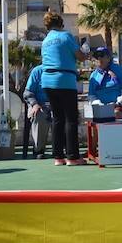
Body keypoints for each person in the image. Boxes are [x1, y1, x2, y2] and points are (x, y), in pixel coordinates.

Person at [40, 11, 90, 166]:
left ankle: (58, 157)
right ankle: (73, 157)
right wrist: (86, 53)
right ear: (61, 23)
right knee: (70, 119)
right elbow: (80, 56)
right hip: (65, 80)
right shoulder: (66, 36)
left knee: (57, 119)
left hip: (47, 81)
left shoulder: (45, 40)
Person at [87, 47, 122, 119]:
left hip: (120, 106)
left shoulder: (118, 69)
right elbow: (91, 96)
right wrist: (98, 103)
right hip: (101, 108)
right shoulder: (93, 76)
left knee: (116, 113)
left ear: (108, 58)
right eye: (96, 57)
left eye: (102, 56)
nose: (99, 59)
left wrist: (119, 102)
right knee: (90, 116)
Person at [22, 64, 52, 159]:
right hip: (38, 104)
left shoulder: (60, 70)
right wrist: (35, 104)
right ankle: (38, 149)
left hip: (54, 105)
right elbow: (27, 93)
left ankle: (60, 149)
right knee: (40, 115)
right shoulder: (37, 71)